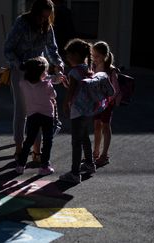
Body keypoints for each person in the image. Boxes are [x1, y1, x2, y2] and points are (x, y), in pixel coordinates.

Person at [4, 0, 64, 161]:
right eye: (42, 16)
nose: (44, 20)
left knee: (39, 111)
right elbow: (8, 49)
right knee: (22, 111)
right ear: (35, 12)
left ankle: (36, 152)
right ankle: (19, 148)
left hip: (39, 71)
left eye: (47, 17)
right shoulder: (22, 23)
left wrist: (58, 65)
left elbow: (52, 49)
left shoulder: (47, 27)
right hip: (21, 70)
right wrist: (20, 64)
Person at [16, 56, 64, 175]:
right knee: (47, 140)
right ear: (41, 73)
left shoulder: (23, 83)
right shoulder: (46, 84)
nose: (47, 73)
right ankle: (44, 166)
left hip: (32, 114)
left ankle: (21, 165)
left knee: (29, 140)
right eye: (46, 71)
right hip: (47, 115)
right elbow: (54, 95)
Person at [59, 38, 96, 184]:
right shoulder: (87, 69)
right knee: (85, 137)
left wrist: (65, 104)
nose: (66, 57)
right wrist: (68, 85)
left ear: (75, 55)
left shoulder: (74, 71)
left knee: (76, 142)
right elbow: (79, 89)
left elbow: (71, 93)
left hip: (78, 111)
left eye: (68, 54)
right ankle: (89, 163)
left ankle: (75, 173)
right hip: (88, 110)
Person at [91, 41, 121, 166]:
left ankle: (105, 154)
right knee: (97, 125)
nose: (94, 58)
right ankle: (95, 152)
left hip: (107, 103)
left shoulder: (111, 70)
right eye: (93, 55)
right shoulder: (93, 67)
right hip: (97, 102)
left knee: (105, 126)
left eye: (96, 56)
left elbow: (115, 90)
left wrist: (107, 101)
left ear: (104, 56)